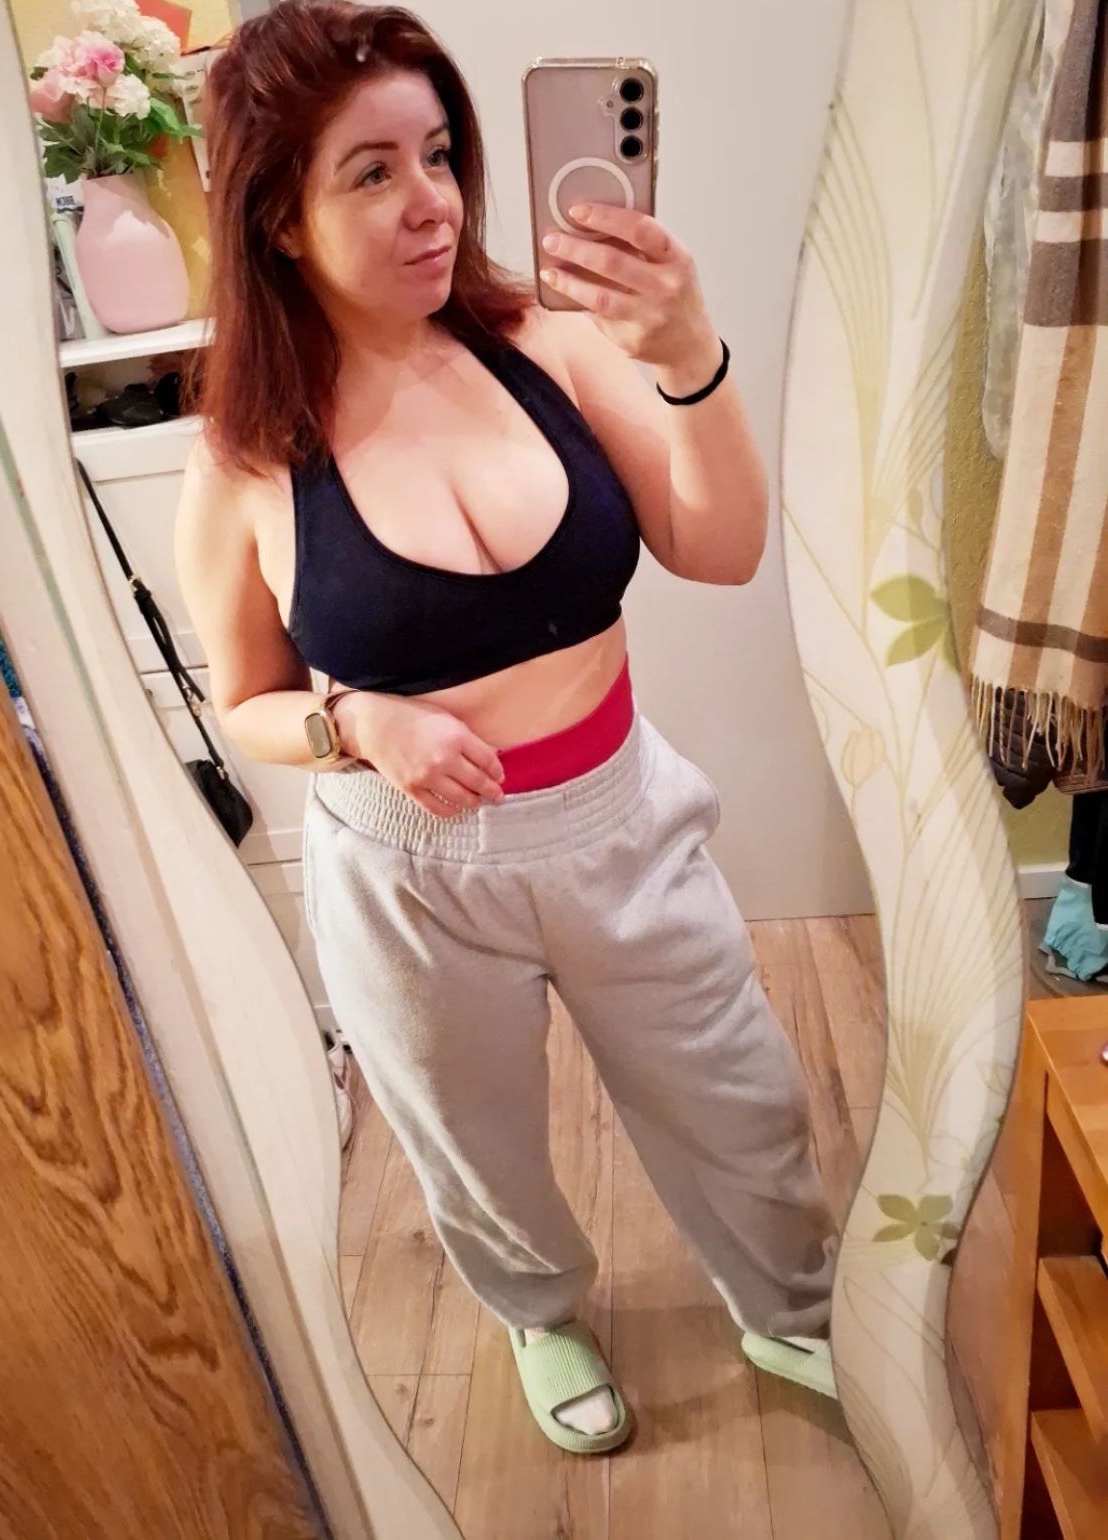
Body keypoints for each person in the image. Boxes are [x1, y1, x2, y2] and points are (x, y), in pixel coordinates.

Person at [176, 0, 838, 1455]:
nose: (432, 202)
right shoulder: (245, 456)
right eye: (371, 172)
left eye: (438, 154)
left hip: (614, 814)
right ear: (277, 218)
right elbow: (242, 707)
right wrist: (358, 724)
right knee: (468, 1137)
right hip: (409, 870)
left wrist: (690, 357)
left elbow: (720, 548)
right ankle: (537, 1313)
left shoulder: (546, 340)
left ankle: (792, 1305)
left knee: (737, 1092)